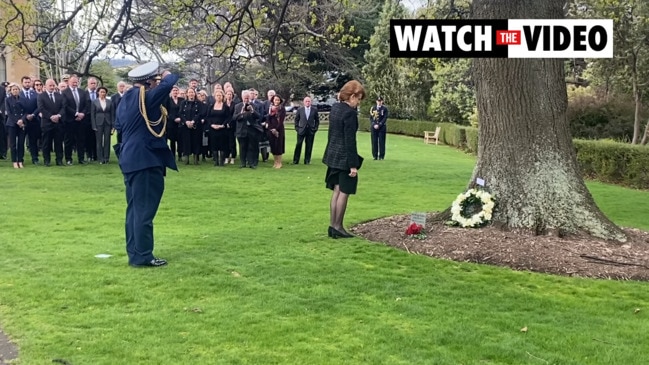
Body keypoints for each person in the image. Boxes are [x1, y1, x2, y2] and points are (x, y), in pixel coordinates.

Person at [114, 61, 179, 267]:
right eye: (155, 80)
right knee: (144, 210)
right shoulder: (146, 98)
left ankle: (135, 252)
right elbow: (170, 82)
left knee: (133, 209)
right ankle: (143, 255)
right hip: (145, 160)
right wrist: (166, 73)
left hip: (129, 159)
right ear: (150, 81)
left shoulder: (124, 99)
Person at [322, 80, 365, 239]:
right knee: (344, 192)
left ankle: (333, 226)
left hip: (333, 155)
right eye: (358, 98)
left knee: (337, 191)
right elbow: (350, 140)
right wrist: (353, 165)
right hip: (344, 157)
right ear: (352, 96)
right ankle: (338, 227)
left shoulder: (335, 108)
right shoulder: (349, 113)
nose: (359, 102)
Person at [37, 79, 65, 166]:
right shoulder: (41, 96)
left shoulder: (59, 96)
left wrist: (58, 115)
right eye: (50, 85)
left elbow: (63, 107)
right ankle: (47, 160)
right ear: (46, 86)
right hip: (47, 123)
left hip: (58, 123)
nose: (52, 87)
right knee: (46, 143)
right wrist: (51, 117)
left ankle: (59, 160)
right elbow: (41, 108)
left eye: (53, 85)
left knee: (58, 142)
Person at [5, 83, 27, 168]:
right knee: (13, 144)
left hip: (22, 123)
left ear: (19, 90)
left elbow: (25, 111)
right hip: (12, 124)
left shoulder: (23, 99)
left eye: (16, 89)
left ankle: (20, 160)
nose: (15, 91)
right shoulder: (8, 100)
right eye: (13, 89)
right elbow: (9, 113)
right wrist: (17, 121)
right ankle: (14, 161)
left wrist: (22, 120)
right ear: (10, 91)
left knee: (21, 143)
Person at [292, 96, 319, 165]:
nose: (307, 103)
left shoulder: (314, 110)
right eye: (306, 101)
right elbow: (296, 120)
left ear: (311, 102)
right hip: (301, 130)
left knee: (309, 146)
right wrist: (297, 128)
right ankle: (296, 160)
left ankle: (307, 160)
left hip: (310, 131)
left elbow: (317, 120)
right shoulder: (300, 110)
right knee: (298, 145)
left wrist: (315, 129)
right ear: (304, 102)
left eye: (309, 101)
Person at [91, 86, 114, 164]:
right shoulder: (94, 102)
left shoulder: (110, 101)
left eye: (104, 92)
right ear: (98, 92)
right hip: (98, 123)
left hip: (108, 123)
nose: (102, 93)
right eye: (101, 92)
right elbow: (92, 114)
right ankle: (100, 158)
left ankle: (106, 158)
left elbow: (112, 114)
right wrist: (94, 125)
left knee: (107, 141)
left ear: (106, 93)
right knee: (99, 141)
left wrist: (113, 126)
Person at [266, 94, 286, 168]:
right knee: (273, 146)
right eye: (275, 100)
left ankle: (279, 163)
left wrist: (276, 129)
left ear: (280, 101)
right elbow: (268, 119)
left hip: (279, 130)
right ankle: (275, 162)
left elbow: (281, 121)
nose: (276, 101)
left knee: (279, 146)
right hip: (271, 129)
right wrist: (271, 128)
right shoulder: (270, 108)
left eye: (278, 100)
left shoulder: (282, 109)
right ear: (273, 100)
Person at [370, 96, 388, 160]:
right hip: (374, 127)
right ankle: (375, 156)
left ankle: (381, 156)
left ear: (382, 101)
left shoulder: (384, 109)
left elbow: (385, 118)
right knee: (374, 142)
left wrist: (379, 124)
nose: (379, 102)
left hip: (382, 127)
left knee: (381, 142)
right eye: (378, 101)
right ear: (376, 101)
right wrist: (374, 124)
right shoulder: (373, 108)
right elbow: (371, 118)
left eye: (380, 101)